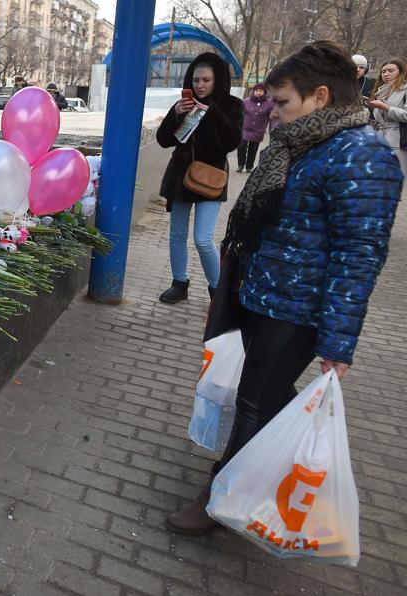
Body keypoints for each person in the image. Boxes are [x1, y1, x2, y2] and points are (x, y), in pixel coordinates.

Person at [166, 41, 403, 536]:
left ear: (320, 96)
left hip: (297, 309)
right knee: (268, 394)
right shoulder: (298, 143)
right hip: (260, 292)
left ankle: (219, 497)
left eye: (282, 103)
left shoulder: (365, 157)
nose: (273, 112)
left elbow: (358, 258)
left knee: (255, 399)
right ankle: (278, 473)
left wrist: (339, 344)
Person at [155, 52, 244, 303]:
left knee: (203, 239)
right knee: (177, 234)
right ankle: (179, 283)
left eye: (206, 80)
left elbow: (231, 142)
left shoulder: (232, 106)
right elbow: (164, 141)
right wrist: (175, 114)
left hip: (211, 178)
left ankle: (219, 290)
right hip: (181, 178)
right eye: (196, 80)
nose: (200, 85)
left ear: (217, 80)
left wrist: (211, 111)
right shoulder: (185, 104)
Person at [366, 57, 407, 174]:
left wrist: (386, 107)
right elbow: (378, 120)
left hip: (399, 141)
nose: (386, 74)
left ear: (401, 71)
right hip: (379, 140)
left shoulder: (405, 89)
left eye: (391, 71)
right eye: (383, 71)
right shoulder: (381, 91)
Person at [237, 84, 274, 173]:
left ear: (264, 92)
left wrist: (273, 129)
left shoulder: (269, 104)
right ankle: (240, 165)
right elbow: (239, 114)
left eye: (260, 91)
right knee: (241, 146)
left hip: (258, 130)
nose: (258, 92)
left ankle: (249, 167)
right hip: (245, 128)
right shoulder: (246, 101)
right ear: (253, 91)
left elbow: (272, 118)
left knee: (253, 149)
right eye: (256, 91)